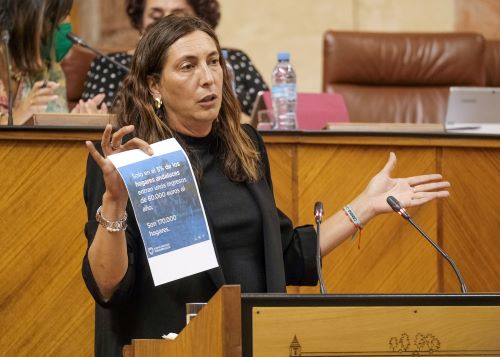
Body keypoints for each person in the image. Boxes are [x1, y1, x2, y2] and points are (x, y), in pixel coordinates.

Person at [82, 15, 450, 356]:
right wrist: (114, 204)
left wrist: (365, 206)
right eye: (187, 66)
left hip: (254, 341)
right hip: (171, 346)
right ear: (153, 85)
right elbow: (109, 286)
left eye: (213, 61)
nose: (208, 78)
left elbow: (286, 255)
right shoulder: (132, 158)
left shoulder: (245, 146)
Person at [81, 0, 267, 117]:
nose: (166, 24)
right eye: (155, 16)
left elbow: (274, 116)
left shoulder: (235, 60)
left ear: (198, 20)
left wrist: (234, 120)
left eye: (213, 62)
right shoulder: (109, 65)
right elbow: (91, 118)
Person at [0, 0, 106, 126]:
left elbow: (53, 133)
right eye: (55, 17)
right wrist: (18, 115)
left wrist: (76, 122)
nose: (66, 24)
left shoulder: (50, 70)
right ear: (27, 21)